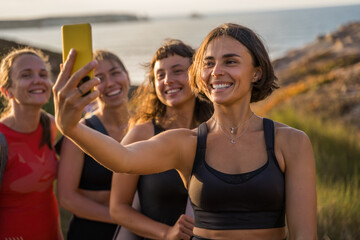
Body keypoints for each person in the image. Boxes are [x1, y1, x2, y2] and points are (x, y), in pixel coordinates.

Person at [53, 23, 317, 239]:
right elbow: (122, 159)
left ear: (256, 73)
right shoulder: (186, 143)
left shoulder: (290, 142)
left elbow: (304, 235)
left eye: (230, 61)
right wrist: (70, 127)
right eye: (209, 63)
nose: (217, 72)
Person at [109, 39, 213, 240]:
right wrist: (166, 233)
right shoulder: (141, 134)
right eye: (160, 75)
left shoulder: (213, 129)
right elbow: (118, 208)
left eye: (177, 71)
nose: (167, 80)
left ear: (197, 74)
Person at [56, 50, 131, 239]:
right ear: (90, 86)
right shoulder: (80, 130)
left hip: (137, 233)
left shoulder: (144, 125)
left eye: (115, 73)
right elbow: (66, 198)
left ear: (127, 76)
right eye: (99, 78)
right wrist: (125, 219)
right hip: (91, 232)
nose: (110, 83)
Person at [0, 47, 63, 239]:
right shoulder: (2, 139)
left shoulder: (51, 125)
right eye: (26, 75)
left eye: (43, 74)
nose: (38, 80)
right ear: (7, 91)